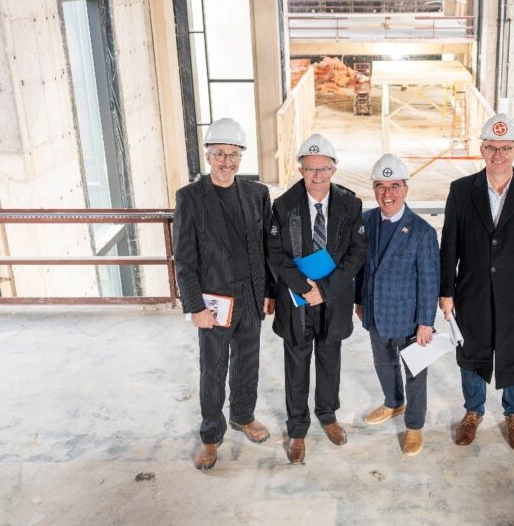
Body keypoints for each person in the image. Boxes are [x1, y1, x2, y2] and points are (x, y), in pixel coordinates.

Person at [439, 113, 514, 451]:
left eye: (505, 148)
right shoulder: (462, 191)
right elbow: (449, 246)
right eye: (491, 147)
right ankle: (473, 411)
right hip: (472, 292)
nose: (498, 155)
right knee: (472, 354)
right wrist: (447, 292)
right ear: (482, 149)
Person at [172, 118, 274, 471]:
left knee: (248, 362)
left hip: (250, 296)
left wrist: (267, 292)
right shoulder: (190, 198)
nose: (226, 161)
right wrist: (195, 306)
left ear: (241, 157)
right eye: (219, 154)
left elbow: (266, 248)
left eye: (233, 154)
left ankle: (243, 416)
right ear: (208, 155)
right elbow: (184, 259)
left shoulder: (257, 194)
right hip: (214, 301)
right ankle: (211, 435)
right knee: (212, 369)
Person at [267, 133, 368, 464]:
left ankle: (328, 415)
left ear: (334, 170)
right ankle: (297, 430)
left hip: (333, 301)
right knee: (296, 366)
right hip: (297, 304)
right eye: (311, 169)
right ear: (300, 170)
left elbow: (357, 254)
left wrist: (324, 290)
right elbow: (276, 254)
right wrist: (305, 288)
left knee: (330, 361)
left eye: (324, 168)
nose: (317, 175)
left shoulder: (350, 206)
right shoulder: (283, 206)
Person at [354, 154, 439, 456]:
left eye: (394, 186)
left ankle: (414, 426)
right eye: (380, 186)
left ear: (406, 189)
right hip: (376, 313)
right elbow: (361, 266)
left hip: (408, 319)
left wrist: (426, 322)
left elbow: (429, 280)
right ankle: (393, 403)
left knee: (415, 374)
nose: (386, 194)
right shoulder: (366, 222)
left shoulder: (422, 232)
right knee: (383, 363)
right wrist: (358, 300)